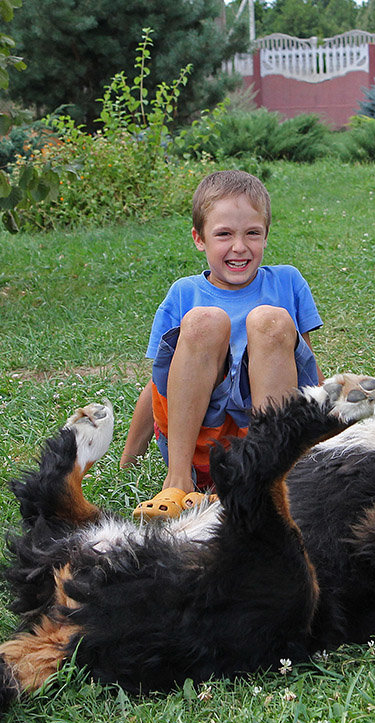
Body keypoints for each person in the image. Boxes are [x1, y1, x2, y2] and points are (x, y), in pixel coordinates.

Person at [119, 170, 323, 519]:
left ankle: (267, 479)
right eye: (224, 234)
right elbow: (157, 387)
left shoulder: (288, 281)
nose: (239, 247)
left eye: (252, 234)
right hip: (202, 442)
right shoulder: (185, 293)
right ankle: (178, 482)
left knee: (269, 321)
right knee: (204, 321)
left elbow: (306, 372)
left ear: (266, 236)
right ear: (199, 239)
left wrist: (324, 434)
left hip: (268, 437)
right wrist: (129, 460)